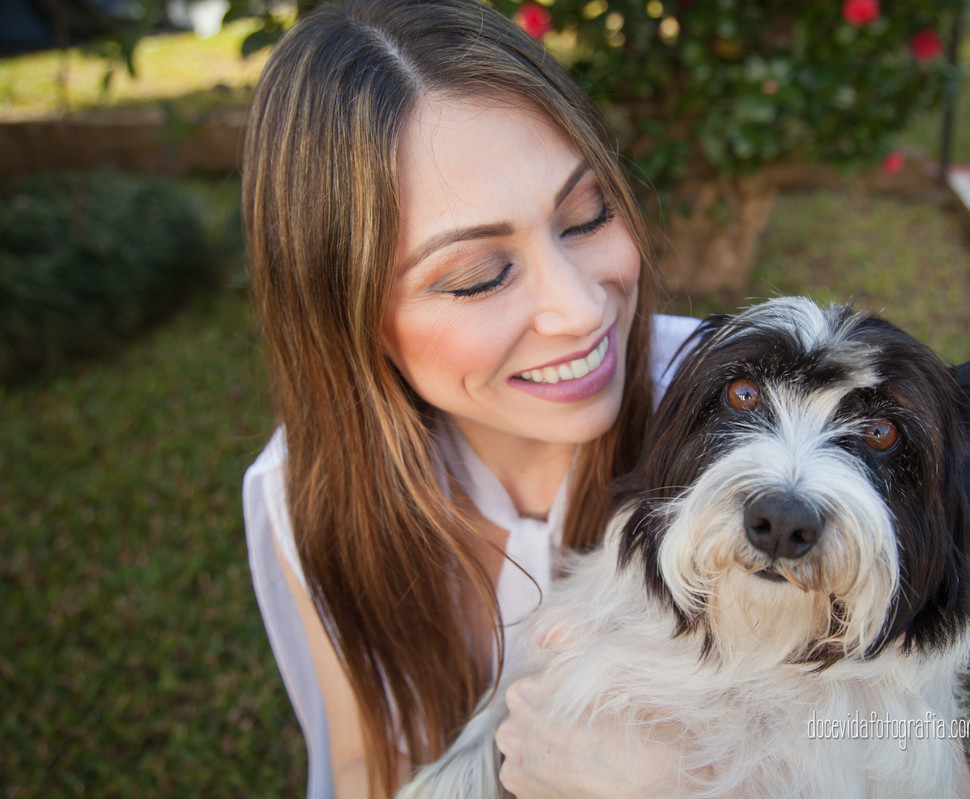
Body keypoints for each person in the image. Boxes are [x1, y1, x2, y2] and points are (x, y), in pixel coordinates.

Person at [239, 0, 700, 796]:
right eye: (477, 276)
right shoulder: (304, 490)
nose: (584, 309)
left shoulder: (751, 421)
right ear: (347, 318)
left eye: (587, 214)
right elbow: (364, 764)